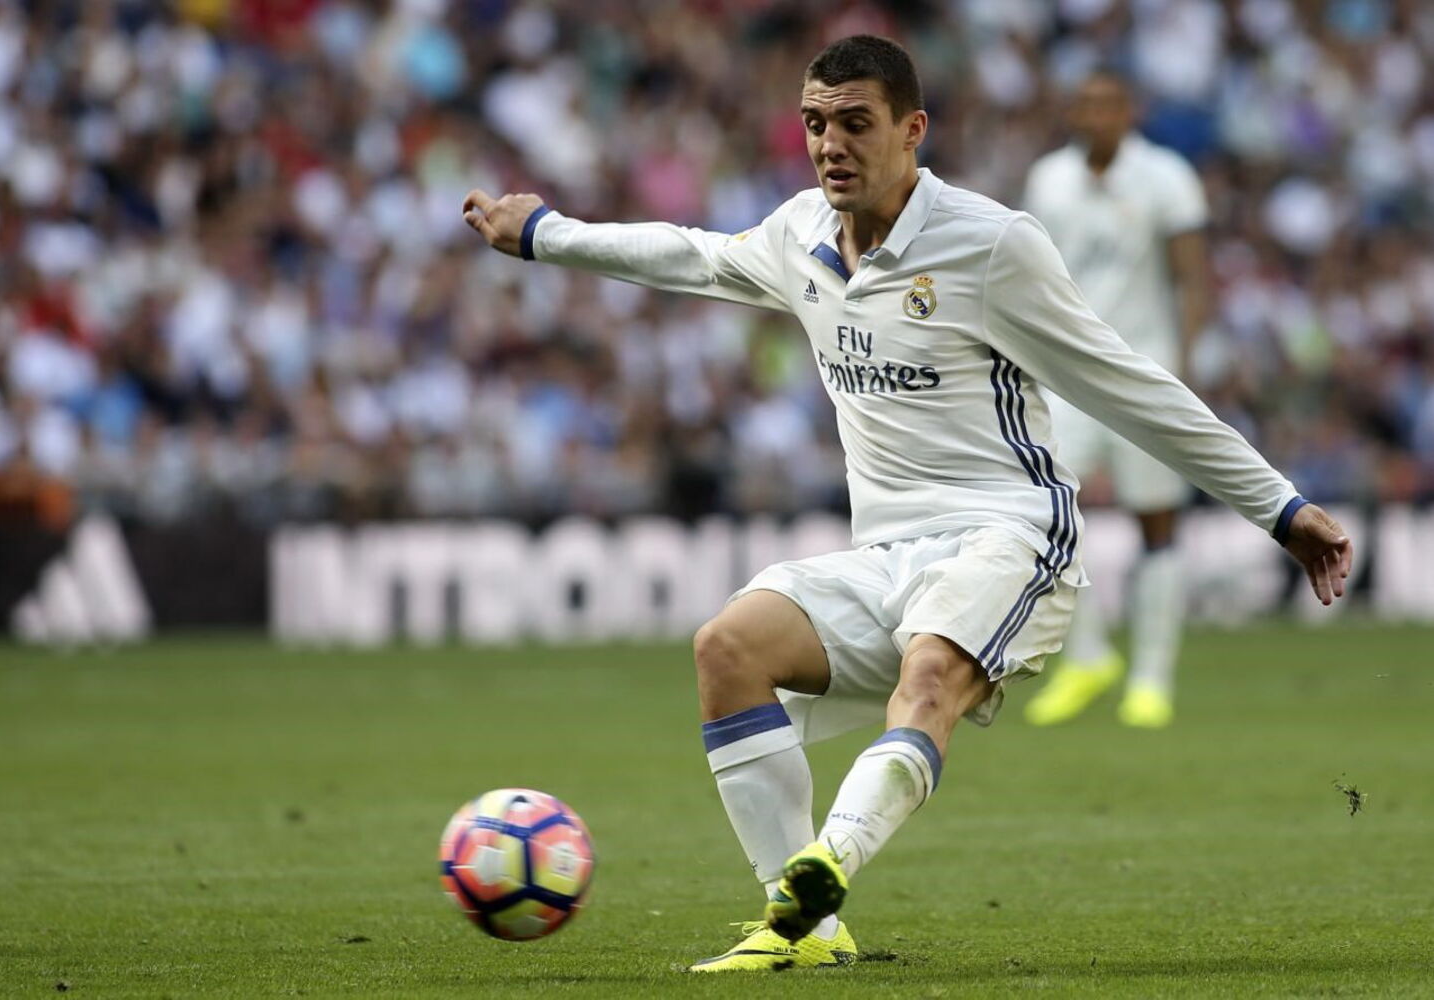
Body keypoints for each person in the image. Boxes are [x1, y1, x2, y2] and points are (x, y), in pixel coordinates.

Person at [462, 35, 1352, 974]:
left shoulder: (992, 245)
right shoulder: (800, 236)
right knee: (728, 648)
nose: (830, 144)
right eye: (815, 124)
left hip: (1013, 534)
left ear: (912, 129)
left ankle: (825, 870)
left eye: (855, 122)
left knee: (928, 678)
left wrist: (1281, 508)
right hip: (886, 555)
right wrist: (543, 233)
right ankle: (805, 933)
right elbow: (691, 255)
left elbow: (1128, 385)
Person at [1020, 70, 1213, 729]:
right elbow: (1032, 277)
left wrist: (1184, 369)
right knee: (1045, 512)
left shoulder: (1166, 177)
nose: (1096, 115)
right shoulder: (1049, 179)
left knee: (1154, 519)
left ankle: (1152, 678)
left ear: (1130, 111)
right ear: (1074, 112)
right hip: (1067, 375)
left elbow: (1192, 278)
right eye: (1086, 104)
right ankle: (1088, 656)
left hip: (1143, 370)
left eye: (1108, 104)